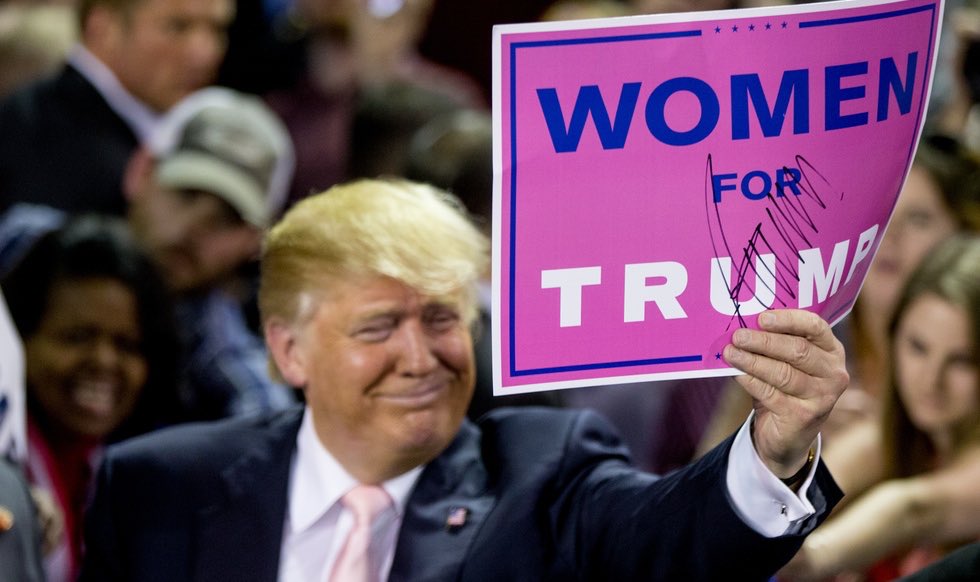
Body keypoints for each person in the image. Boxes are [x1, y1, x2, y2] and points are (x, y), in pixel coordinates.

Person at [80, 178, 849, 581]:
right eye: (379, 327)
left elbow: (667, 545)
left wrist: (771, 450)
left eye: (442, 318)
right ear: (289, 351)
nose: (421, 358)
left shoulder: (540, 472)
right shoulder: (155, 489)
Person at [0, 86, 299, 420]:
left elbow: (267, 424)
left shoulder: (227, 364)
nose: (192, 228)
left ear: (256, 240)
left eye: (227, 218)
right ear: (141, 171)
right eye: (186, 194)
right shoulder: (22, 245)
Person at [778, 234, 980, 581]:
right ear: (893, 336)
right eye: (918, 347)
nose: (931, 379)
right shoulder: (886, 437)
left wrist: (814, 557)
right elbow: (799, 499)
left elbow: (913, 510)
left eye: (961, 360)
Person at [2, 215, 181, 582]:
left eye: (127, 345)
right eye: (77, 337)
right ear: (19, 339)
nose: (103, 362)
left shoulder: (142, 477)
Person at [0, 0, 234, 216]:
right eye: (177, 27)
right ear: (102, 27)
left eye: (218, 29)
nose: (205, 54)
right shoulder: (44, 137)